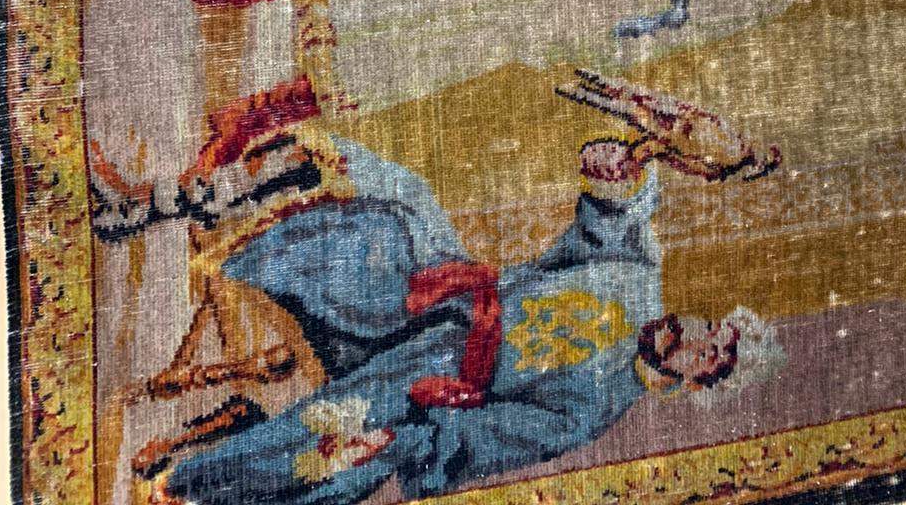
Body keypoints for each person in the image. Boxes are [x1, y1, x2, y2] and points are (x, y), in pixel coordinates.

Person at [103, 73, 784, 504]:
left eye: (709, 351)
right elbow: (617, 216)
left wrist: (409, 431)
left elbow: (479, 438)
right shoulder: (639, 281)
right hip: (445, 294)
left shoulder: (594, 409)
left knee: (339, 438)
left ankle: (187, 489)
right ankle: (173, 203)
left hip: (435, 374)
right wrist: (613, 174)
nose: (696, 334)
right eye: (711, 326)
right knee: (392, 199)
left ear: (697, 380)